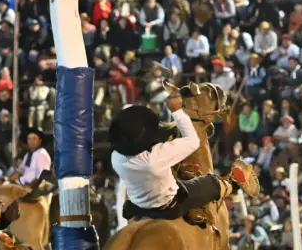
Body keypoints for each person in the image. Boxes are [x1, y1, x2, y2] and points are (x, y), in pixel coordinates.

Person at [110, 92, 259, 221]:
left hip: (139, 204)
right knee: (211, 182)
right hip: (169, 205)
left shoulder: (115, 158)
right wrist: (178, 111)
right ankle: (233, 183)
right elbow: (193, 141)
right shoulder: (155, 157)